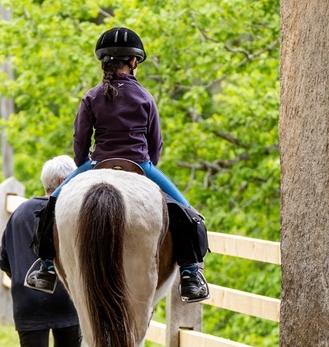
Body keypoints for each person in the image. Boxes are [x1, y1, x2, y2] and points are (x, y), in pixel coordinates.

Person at [24, 26, 211, 303]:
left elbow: (80, 140)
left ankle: (46, 267)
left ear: (104, 62)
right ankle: (190, 273)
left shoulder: (91, 96)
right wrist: (147, 170)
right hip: (140, 164)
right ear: (134, 62)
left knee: (52, 206)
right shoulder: (146, 97)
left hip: (98, 162)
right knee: (188, 212)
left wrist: (82, 167)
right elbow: (155, 143)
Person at [0, 156, 83, 347]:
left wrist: (23, 282)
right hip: (68, 299)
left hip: (27, 299)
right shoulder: (71, 213)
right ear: (62, 183)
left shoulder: (20, 213)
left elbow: (4, 260)